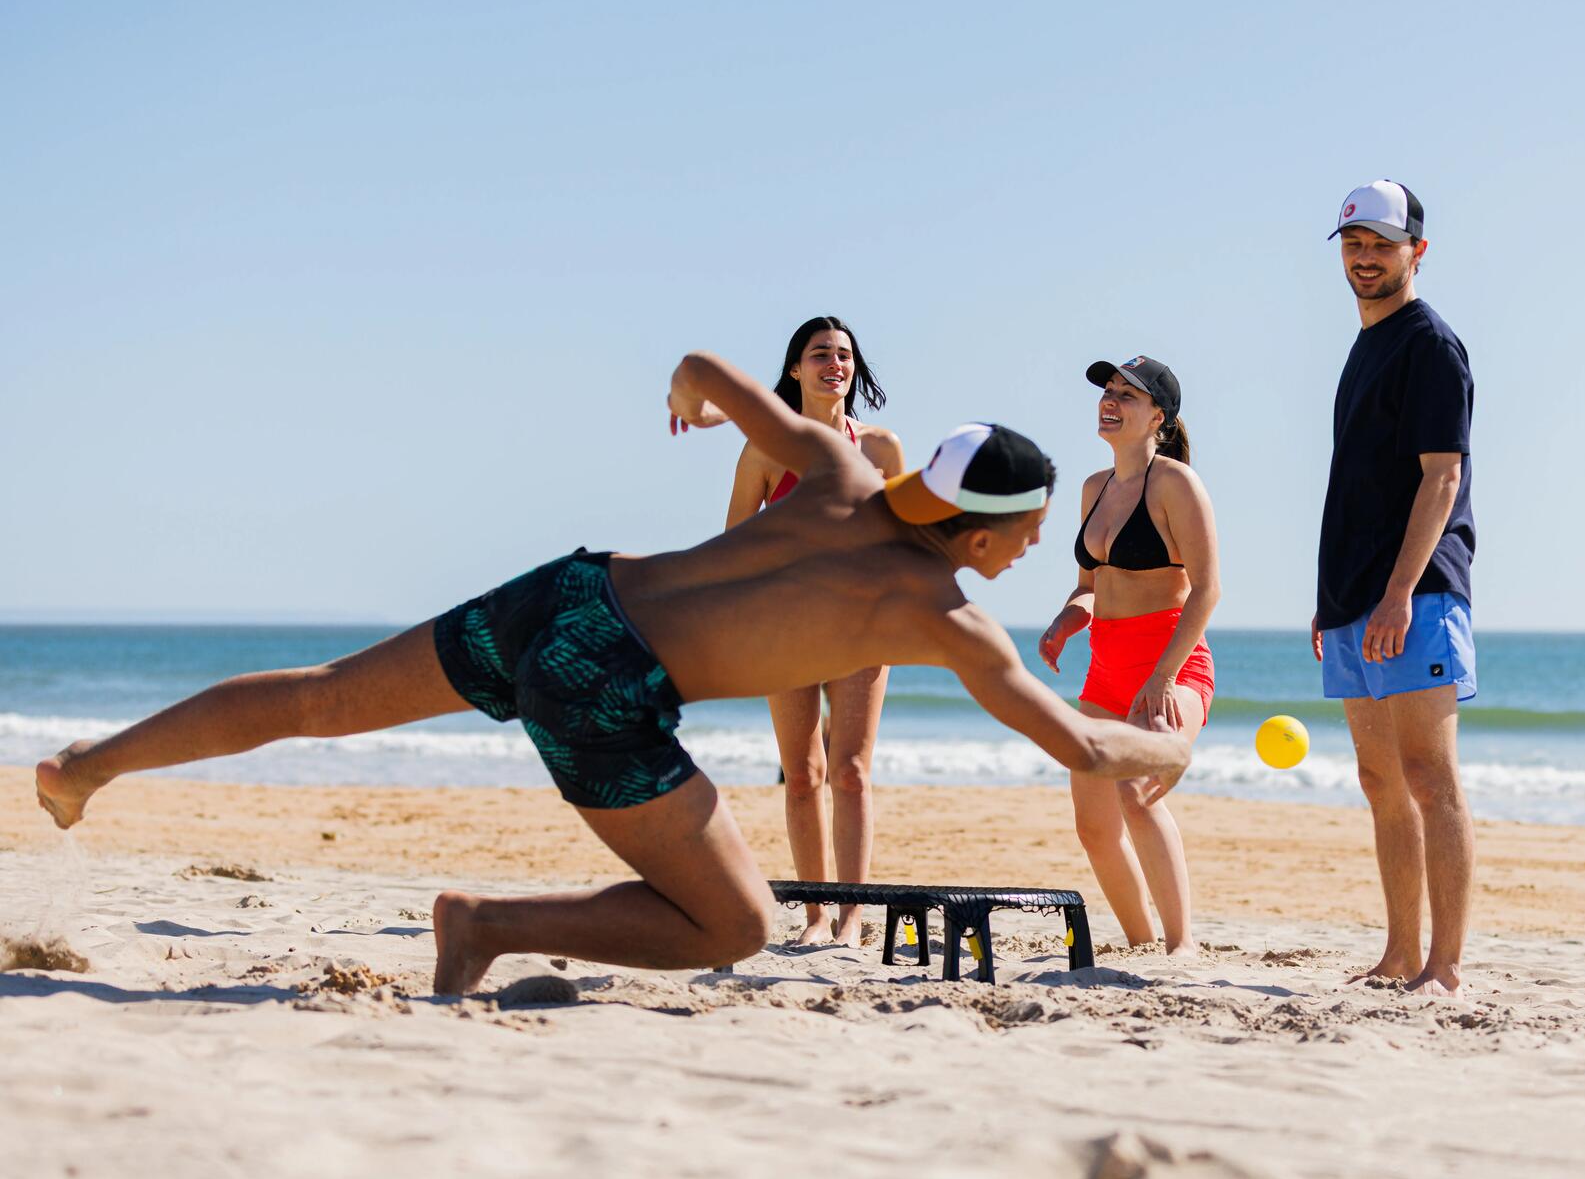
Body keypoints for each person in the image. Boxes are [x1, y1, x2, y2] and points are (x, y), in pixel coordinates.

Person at [33, 351, 1191, 995]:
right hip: (605, 683)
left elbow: (700, 367)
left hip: (573, 591)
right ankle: (485, 923)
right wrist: (1173, 747)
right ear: (982, 531)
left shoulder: (833, 467)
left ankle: (87, 765)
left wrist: (687, 398)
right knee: (730, 927)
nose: (1036, 548)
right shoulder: (941, 614)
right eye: (1029, 531)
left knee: (323, 693)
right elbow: (1082, 744)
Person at [1314, 179, 1477, 997]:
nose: (1366, 257)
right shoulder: (1364, 343)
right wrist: (1334, 594)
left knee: (1427, 775)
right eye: (1353, 244)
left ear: (1417, 250)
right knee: (1380, 781)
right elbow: (1360, 485)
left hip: (1415, 595)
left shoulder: (1428, 344)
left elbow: (1440, 479)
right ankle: (1398, 953)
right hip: (1355, 598)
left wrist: (1398, 591)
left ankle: (1444, 966)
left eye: (1381, 243)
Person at [724, 316, 904, 947]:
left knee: (851, 771)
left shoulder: (879, 448)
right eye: (820, 353)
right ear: (795, 369)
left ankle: (852, 918)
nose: (835, 363)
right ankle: (817, 916)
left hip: (862, 627)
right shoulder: (768, 448)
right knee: (803, 774)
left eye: (845, 354)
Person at [1038, 357, 1219, 955]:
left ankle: (1181, 945)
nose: (1110, 401)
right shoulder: (1094, 488)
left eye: (1128, 396)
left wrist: (1165, 676)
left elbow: (1208, 588)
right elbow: (1090, 585)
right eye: (1108, 392)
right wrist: (1069, 617)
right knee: (1093, 826)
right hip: (1106, 667)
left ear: (1159, 418)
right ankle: (1141, 943)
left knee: (1137, 791)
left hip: (1172, 663)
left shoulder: (1175, 484)